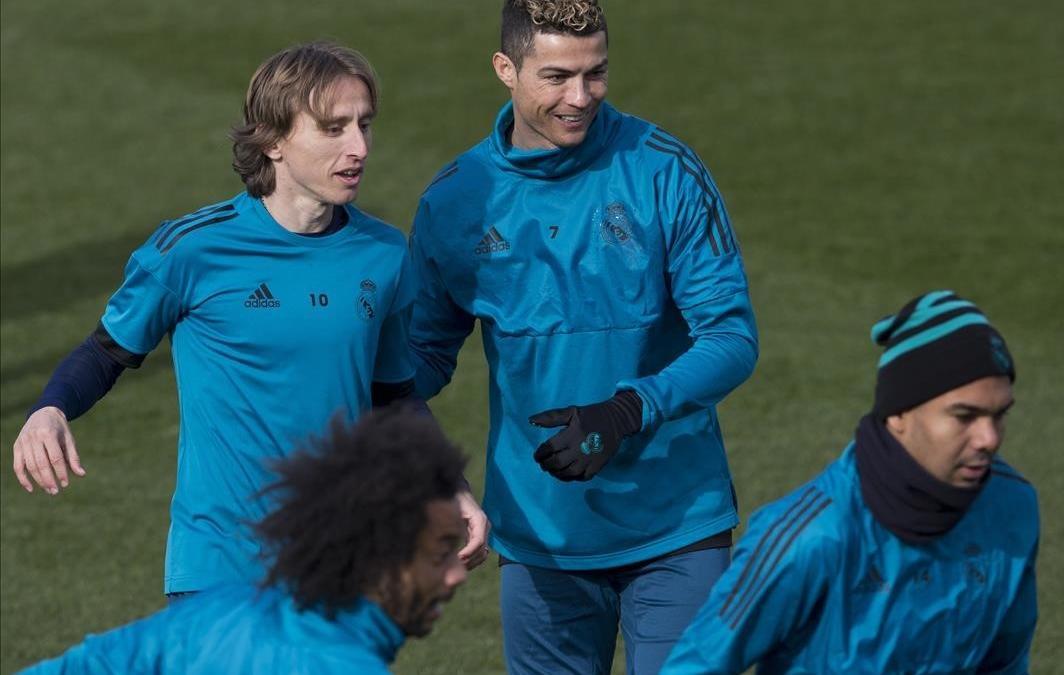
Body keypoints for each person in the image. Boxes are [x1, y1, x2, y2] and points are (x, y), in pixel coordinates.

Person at [10, 41, 488, 597]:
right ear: (274, 140)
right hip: (221, 571)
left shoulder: (382, 255)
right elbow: (105, 352)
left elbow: (395, 396)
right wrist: (50, 408)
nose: (358, 147)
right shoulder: (192, 250)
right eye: (334, 129)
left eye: (364, 125)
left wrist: (452, 486)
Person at [407, 1, 758, 672]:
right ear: (505, 69)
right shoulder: (457, 200)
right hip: (542, 540)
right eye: (558, 76)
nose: (581, 97)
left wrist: (627, 410)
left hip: (677, 528)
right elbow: (418, 359)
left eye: (596, 74)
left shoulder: (665, 172)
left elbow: (732, 337)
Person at [662, 290, 1039, 674]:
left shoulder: (1012, 506)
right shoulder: (810, 537)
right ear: (899, 414)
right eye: (965, 416)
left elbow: (1005, 661)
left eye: (999, 415)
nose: (989, 438)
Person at [20, 406, 469, 674]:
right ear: (376, 557)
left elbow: (91, 665)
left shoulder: (225, 612)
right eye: (440, 553)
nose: (457, 575)